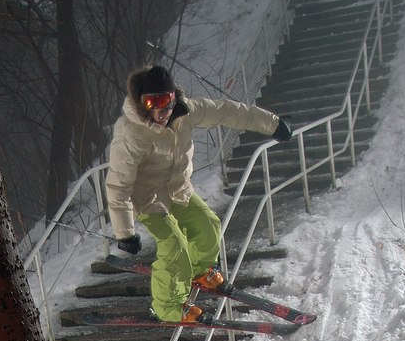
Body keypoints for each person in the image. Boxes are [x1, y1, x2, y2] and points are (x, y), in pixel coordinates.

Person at [105, 64, 292, 323]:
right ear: (141, 102)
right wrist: (125, 233)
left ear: (174, 98)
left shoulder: (186, 112)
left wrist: (273, 124)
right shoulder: (131, 133)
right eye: (152, 103)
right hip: (146, 198)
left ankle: (199, 271)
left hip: (177, 189)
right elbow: (118, 184)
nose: (161, 112)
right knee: (175, 247)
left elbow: (228, 111)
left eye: (166, 102)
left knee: (208, 227)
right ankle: (167, 306)